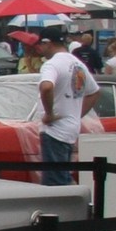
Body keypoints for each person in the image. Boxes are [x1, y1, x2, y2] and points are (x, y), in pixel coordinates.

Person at [35, 30, 95, 185]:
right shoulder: (78, 64)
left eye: (40, 44)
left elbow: (46, 87)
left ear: (47, 43)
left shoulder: (52, 64)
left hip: (54, 130)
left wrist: (49, 114)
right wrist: (76, 115)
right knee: (63, 177)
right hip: (70, 129)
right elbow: (94, 92)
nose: (39, 49)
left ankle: (61, 208)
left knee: (54, 183)